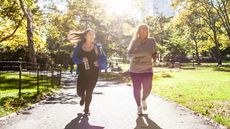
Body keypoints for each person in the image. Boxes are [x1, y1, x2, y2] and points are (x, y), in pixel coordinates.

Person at [70, 29, 107, 114]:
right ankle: (82, 97)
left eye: (93, 34)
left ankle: (87, 108)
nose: (92, 36)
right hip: (82, 72)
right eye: (90, 34)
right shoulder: (78, 47)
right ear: (85, 36)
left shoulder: (98, 47)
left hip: (94, 72)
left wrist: (98, 62)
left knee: (89, 90)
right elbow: (74, 59)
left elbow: (104, 58)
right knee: (79, 91)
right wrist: (81, 60)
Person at [127, 24, 157, 115]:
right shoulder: (134, 41)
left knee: (148, 88)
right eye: (142, 29)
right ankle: (139, 107)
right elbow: (129, 55)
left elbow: (154, 52)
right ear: (138, 31)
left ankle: (143, 99)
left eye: (145, 29)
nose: (144, 31)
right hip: (135, 69)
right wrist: (135, 56)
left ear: (148, 31)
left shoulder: (152, 41)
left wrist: (155, 57)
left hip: (147, 68)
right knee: (137, 89)